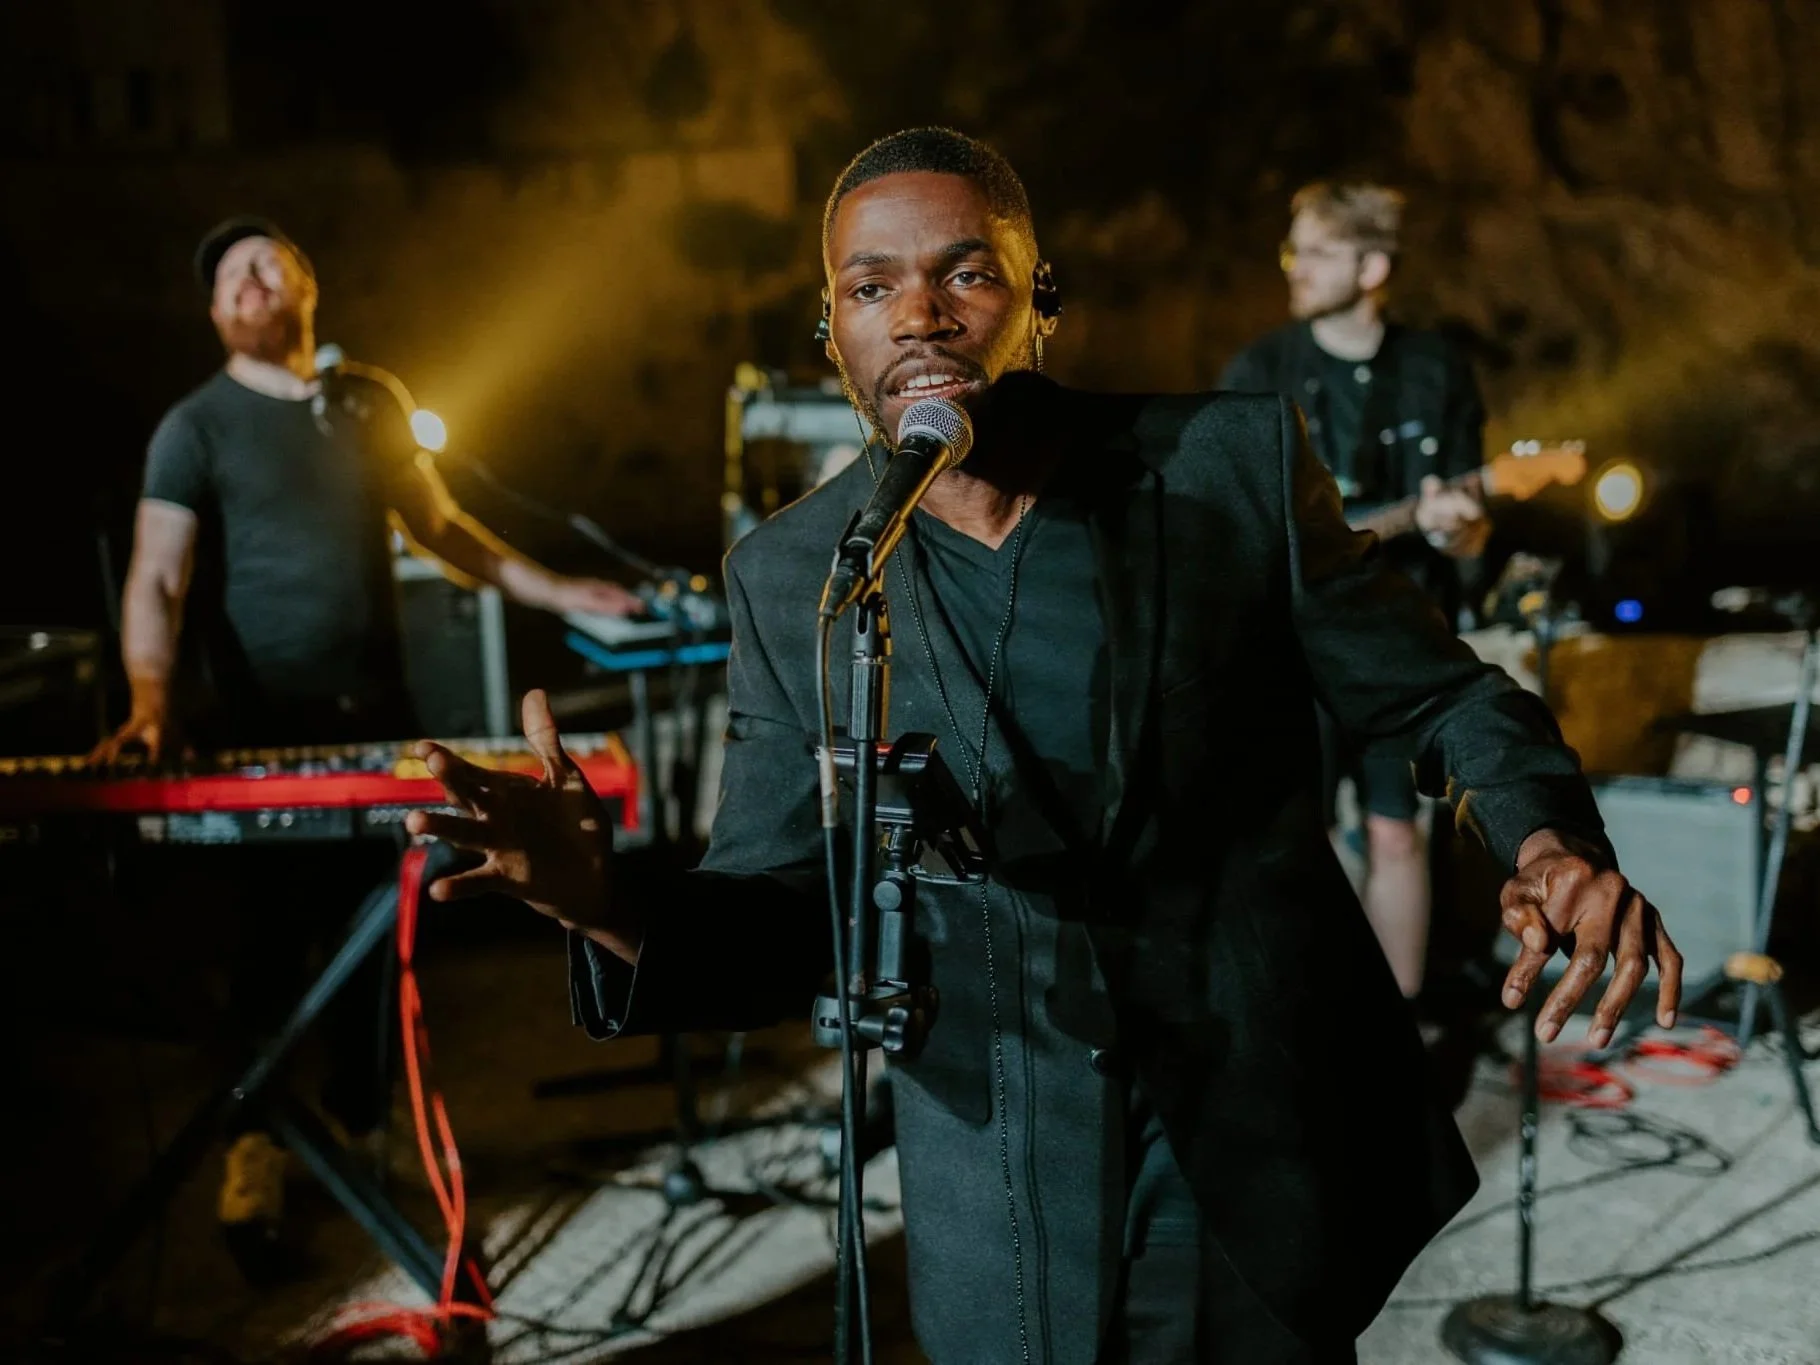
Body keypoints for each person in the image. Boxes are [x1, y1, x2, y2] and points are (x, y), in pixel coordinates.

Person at [407, 131, 1681, 1364]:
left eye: (963, 272)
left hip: (1240, 1135)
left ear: (1037, 302)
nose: (918, 314)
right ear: (831, 332)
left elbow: (1436, 698)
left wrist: (1545, 839)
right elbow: (785, 910)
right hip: (997, 1178)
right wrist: (603, 902)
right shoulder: (794, 573)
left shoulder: (1223, 468)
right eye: (870, 287)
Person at [91, 216, 642, 1275]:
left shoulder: (369, 402)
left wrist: (557, 584)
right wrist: (150, 702)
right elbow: (158, 577)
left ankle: (351, 1134)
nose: (250, 280)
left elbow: (440, 528)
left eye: (269, 263)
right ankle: (253, 1149)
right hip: (258, 738)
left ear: (307, 287)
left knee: (368, 942)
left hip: (375, 726)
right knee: (266, 944)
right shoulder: (192, 426)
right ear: (214, 314)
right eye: (229, 276)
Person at [1220, 183, 1490, 999]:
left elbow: (1470, 531)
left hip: (1398, 639)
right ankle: (1315, 1024)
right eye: (1292, 249)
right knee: (1293, 840)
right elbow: (1231, 516)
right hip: (1289, 643)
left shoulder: (1437, 368)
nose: (1296, 267)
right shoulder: (1260, 369)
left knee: (1396, 833)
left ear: (1373, 267)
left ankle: (1399, 1038)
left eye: (1318, 252)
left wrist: (1455, 529)